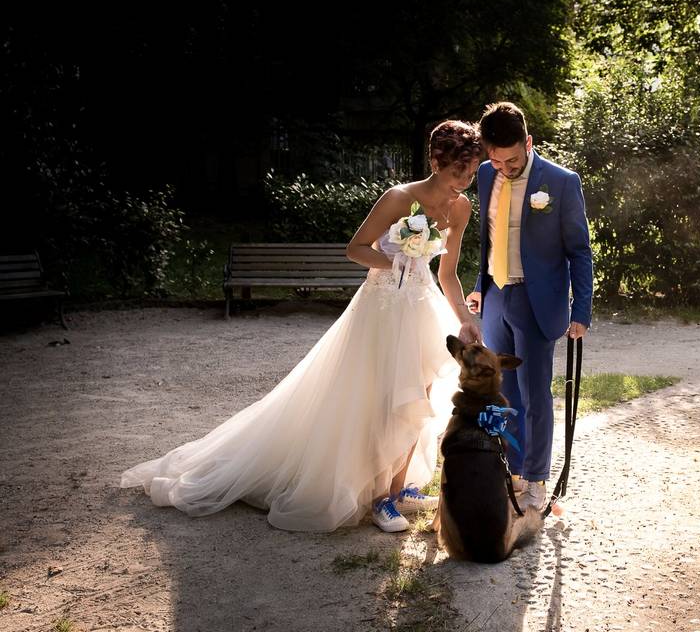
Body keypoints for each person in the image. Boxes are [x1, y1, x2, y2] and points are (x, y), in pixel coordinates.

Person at [121, 120, 483, 533]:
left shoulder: (460, 207)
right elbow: (355, 249)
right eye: (460, 172)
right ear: (437, 162)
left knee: (418, 394)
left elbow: (448, 273)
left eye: (471, 173)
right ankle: (381, 498)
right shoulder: (399, 198)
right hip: (382, 310)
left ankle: (400, 489)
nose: (465, 182)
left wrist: (465, 319)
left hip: (421, 308)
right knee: (384, 400)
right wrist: (397, 258)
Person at [459, 101, 593, 512]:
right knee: (503, 393)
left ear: (529, 143)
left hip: (538, 302)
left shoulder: (561, 182)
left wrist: (581, 311)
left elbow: (579, 251)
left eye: (512, 159)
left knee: (536, 396)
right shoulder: (485, 175)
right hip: (497, 296)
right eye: (496, 160)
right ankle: (511, 471)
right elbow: (490, 239)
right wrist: (481, 286)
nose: (504, 168)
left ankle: (535, 480)